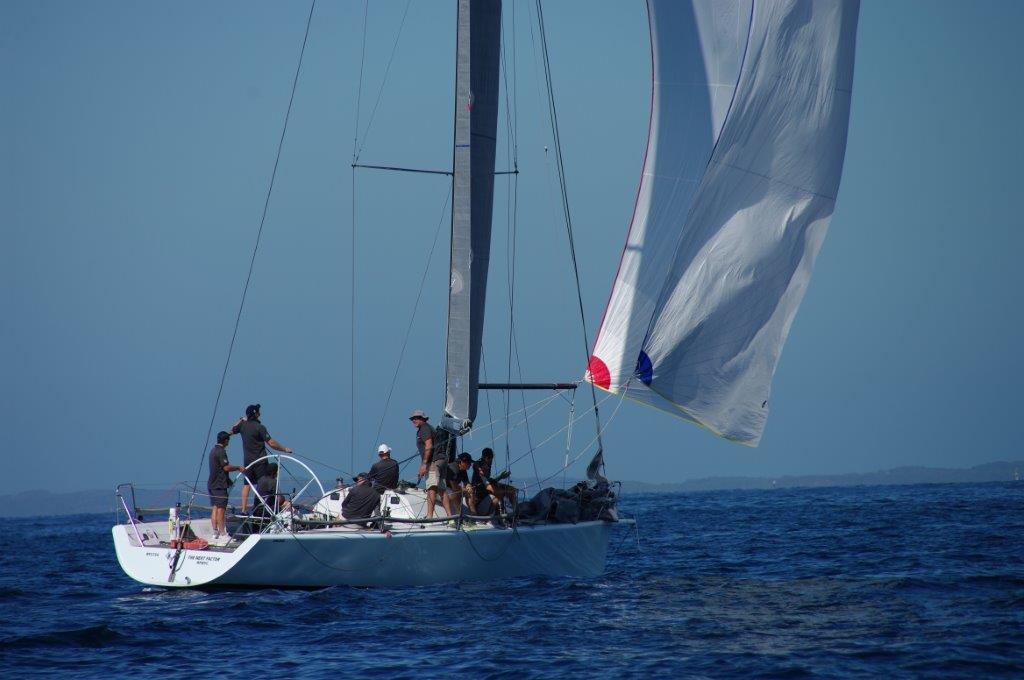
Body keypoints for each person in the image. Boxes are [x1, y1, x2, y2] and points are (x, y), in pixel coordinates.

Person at [231, 404, 292, 514]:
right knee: (262, 484)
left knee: (246, 485)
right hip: (260, 461)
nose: (260, 413)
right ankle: (263, 507)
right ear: (255, 414)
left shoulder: (242, 426)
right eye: (259, 412)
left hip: (248, 461)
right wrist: (284, 449)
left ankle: (244, 510)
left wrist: (241, 420)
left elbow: (231, 430)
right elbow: (271, 443)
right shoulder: (260, 427)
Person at [207, 430, 244, 539]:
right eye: (228, 440)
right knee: (221, 509)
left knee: (215, 507)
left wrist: (229, 481)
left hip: (212, 484)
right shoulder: (221, 451)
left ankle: (215, 532)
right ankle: (222, 532)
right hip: (219, 486)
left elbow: (219, 470)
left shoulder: (212, 451)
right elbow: (226, 467)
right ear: (226, 440)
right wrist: (238, 467)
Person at [412, 410, 447, 519]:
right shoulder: (427, 428)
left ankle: (429, 516)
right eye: (413, 419)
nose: (414, 420)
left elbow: (428, 445)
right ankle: (451, 517)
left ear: (423, 419)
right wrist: (422, 466)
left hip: (433, 462)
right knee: (442, 490)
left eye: (417, 418)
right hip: (441, 460)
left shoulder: (424, 428)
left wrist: (424, 465)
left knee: (431, 487)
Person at [472, 448, 516, 515]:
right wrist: (506, 492)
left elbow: (489, 481)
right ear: (487, 458)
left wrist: (501, 477)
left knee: (510, 489)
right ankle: (491, 517)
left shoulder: (487, 465)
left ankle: (516, 513)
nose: (491, 463)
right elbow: (490, 487)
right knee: (500, 494)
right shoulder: (478, 464)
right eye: (491, 459)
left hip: (486, 489)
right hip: (480, 496)